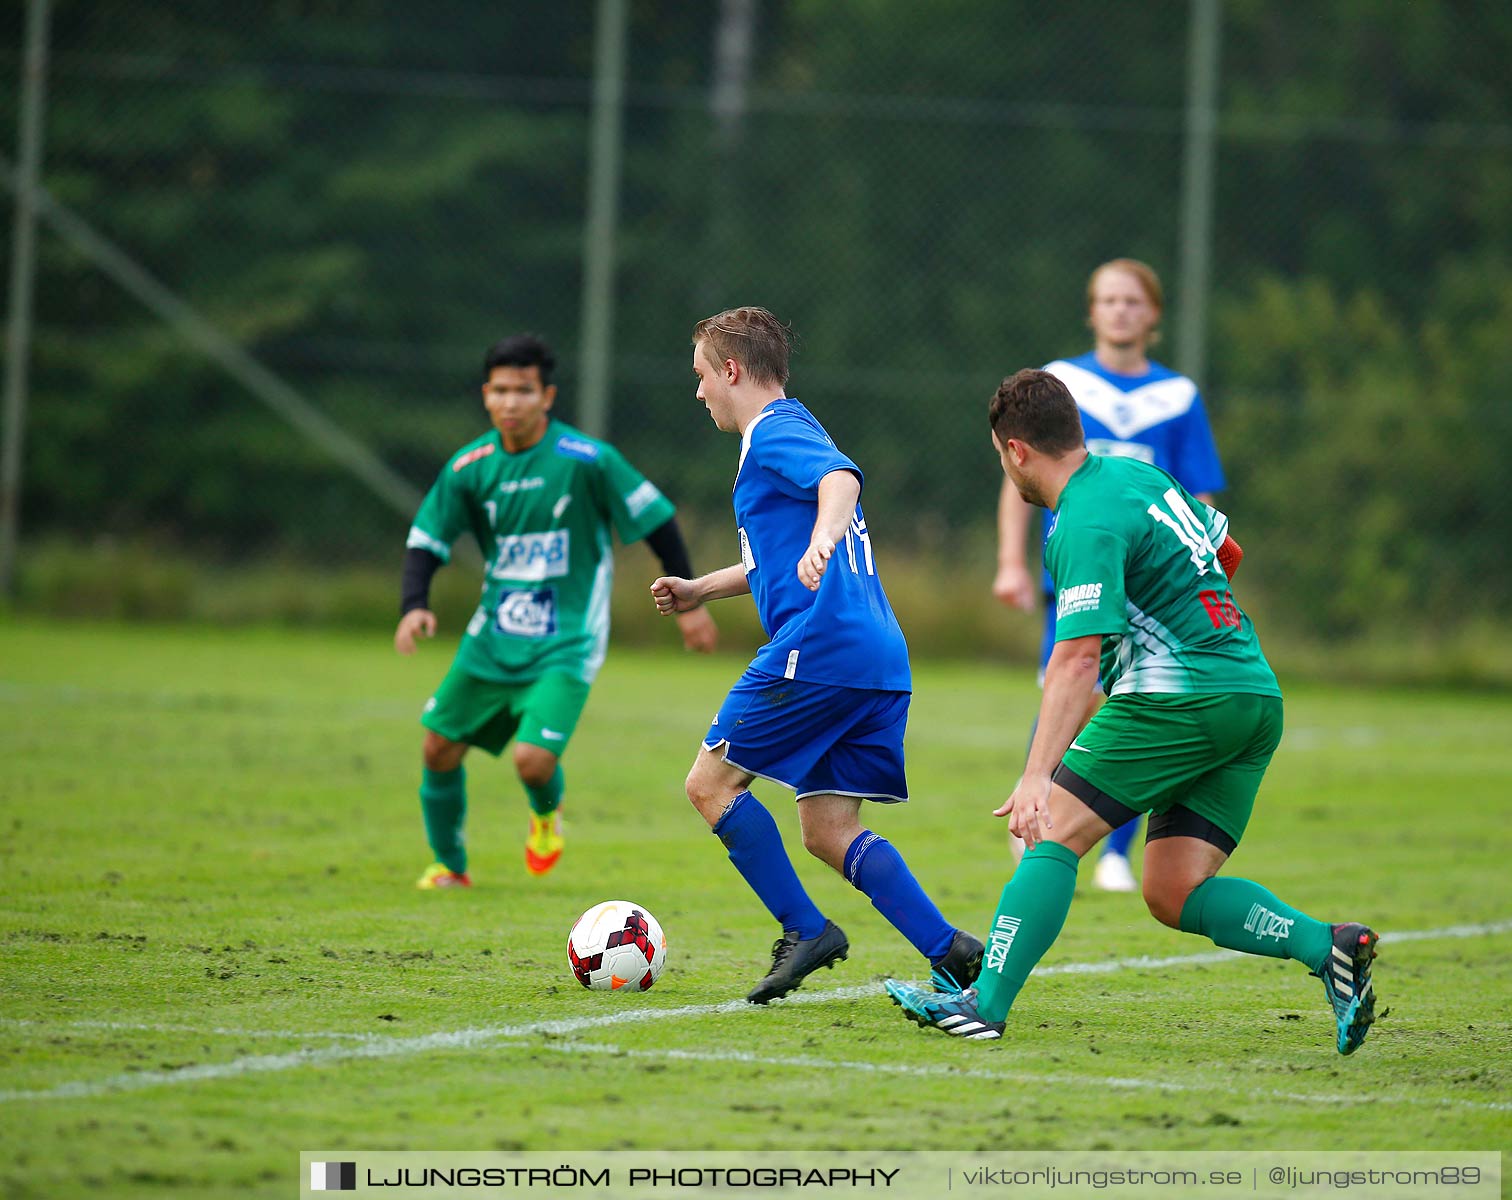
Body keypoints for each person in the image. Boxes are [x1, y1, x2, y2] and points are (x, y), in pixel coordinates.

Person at [889, 368, 1379, 1053]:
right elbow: (1224, 552)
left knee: (1051, 830)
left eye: (1002, 458)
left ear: (1017, 452)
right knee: (1173, 890)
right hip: (1252, 694)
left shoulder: (1082, 519)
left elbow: (1076, 659)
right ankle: (1328, 946)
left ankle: (984, 1005)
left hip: (1178, 697)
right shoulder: (1143, 479)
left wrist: (1037, 775)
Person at [651, 306, 982, 1004]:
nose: (699, 391)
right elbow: (767, 561)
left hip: (821, 647)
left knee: (709, 786)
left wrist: (824, 537)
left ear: (732, 370)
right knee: (829, 829)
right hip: (878, 659)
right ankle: (949, 950)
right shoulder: (787, 432)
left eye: (702, 376)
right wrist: (699, 590)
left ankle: (806, 929)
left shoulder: (774, 431)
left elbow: (840, 482)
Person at [395, 333, 718, 888]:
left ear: (547, 396)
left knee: (532, 761)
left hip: (566, 640)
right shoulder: (469, 467)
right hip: (492, 637)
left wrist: (690, 603)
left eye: (524, 390)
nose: (511, 402)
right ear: (485, 396)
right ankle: (450, 867)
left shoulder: (587, 460)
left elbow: (656, 518)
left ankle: (546, 814)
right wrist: (414, 604)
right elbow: (427, 538)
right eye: (500, 390)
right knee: (437, 746)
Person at [992, 259, 1227, 894]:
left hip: (1151, 585)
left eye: (1132, 301)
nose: (1120, 310)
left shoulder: (1177, 396)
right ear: (1091, 311)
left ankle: (1116, 851)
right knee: (1069, 691)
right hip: (1079, 576)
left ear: (1153, 314)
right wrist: (1011, 562)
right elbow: (1021, 477)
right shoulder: (1062, 384)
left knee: (1135, 701)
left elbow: (1197, 496)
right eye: (1108, 300)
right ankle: (1035, 817)